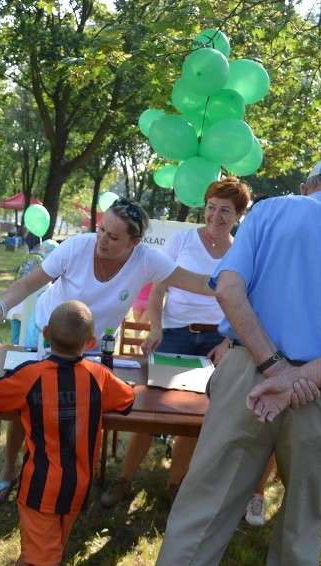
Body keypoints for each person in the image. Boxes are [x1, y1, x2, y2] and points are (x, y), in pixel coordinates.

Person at [156, 158, 321, 564]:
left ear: (307, 187)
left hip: (247, 375)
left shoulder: (268, 211)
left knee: (202, 509)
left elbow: (229, 291)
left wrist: (276, 370)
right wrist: (298, 377)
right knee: (301, 523)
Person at [0, 197, 212, 503]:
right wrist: (1, 305)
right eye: (101, 229)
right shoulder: (76, 248)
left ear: (134, 243)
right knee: (27, 404)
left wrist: (240, 283)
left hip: (89, 347)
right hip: (47, 335)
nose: (102, 239)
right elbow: (28, 283)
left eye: (113, 237)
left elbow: (201, 283)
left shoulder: (147, 260)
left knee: (77, 413)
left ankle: (67, 479)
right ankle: (9, 470)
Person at [101, 177, 251, 508]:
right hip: (174, 333)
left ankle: (175, 485)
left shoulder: (243, 249)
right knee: (148, 410)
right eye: (211, 207)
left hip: (215, 340)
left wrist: (228, 341)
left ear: (239, 215)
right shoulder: (182, 240)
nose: (215, 216)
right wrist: (156, 328)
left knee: (194, 417)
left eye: (225, 210)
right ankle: (124, 479)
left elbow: (245, 302)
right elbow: (157, 289)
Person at [0, 300, 135, 566]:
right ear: (91, 343)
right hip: (77, 486)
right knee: (46, 553)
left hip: (40, 488)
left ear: (45, 334)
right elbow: (127, 398)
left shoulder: (30, 376)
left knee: (42, 557)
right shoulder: (99, 376)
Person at [7, 240, 58, 345]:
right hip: (31, 307)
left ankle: (14, 358)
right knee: (26, 339)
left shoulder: (29, 258)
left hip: (16, 303)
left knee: (16, 339)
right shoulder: (46, 267)